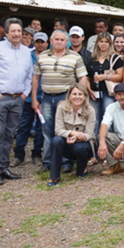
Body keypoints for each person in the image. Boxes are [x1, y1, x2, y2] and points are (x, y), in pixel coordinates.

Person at [0, 18, 33, 185]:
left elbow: (29, 75)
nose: (17, 34)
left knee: (10, 135)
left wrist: (25, 93)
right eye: (13, 31)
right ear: (6, 32)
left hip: (18, 98)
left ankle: (4, 166)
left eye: (19, 31)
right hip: (1, 97)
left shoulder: (26, 51)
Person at [33, 29, 89, 173]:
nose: (59, 42)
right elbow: (35, 78)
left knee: (66, 129)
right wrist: (34, 98)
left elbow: (82, 77)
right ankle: (47, 162)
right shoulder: (43, 56)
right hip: (46, 98)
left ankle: (66, 162)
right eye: (56, 39)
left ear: (67, 42)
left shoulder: (75, 57)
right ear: (51, 41)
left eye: (62, 40)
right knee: (47, 130)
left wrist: (80, 97)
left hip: (66, 98)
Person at [48, 83, 96, 187]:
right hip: (66, 141)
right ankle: (54, 175)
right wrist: (71, 133)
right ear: (69, 95)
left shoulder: (90, 110)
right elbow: (58, 130)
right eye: (74, 94)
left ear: (85, 96)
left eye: (80, 94)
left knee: (79, 148)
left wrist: (77, 137)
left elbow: (89, 133)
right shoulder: (61, 107)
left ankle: (82, 168)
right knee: (56, 140)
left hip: (83, 144)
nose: (77, 97)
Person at [13, 32, 47, 167]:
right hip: (27, 97)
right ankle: (18, 155)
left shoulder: (50, 56)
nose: (40, 44)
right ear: (34, 42)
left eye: (42, 42)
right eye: (37, 41)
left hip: (44, 97)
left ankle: (37, 154)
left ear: (46, 43)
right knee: (23, 127)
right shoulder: (27, 55)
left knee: (41, 128)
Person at [88, 32, 123, 129]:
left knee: (108, 119)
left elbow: (120, 76)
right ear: (97, 43)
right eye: (101, 41)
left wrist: (105, 77)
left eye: (106, 42)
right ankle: (95, 143)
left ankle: (108, 142)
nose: (103, 44)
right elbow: (87, 77)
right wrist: (89, 89)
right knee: (94, 119)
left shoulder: (115, 58)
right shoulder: (92, 59)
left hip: (109, 93)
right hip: (94, 92)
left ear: (110, 44)